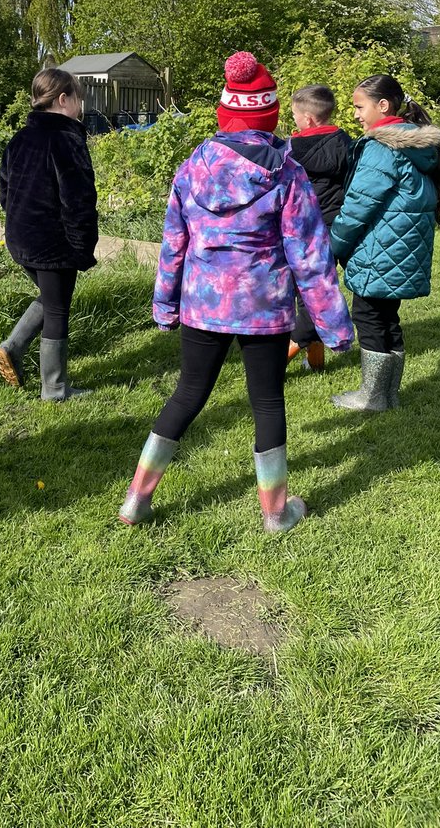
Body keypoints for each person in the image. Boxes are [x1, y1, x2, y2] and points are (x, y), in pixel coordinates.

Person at [119, 52, 353, 533]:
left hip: (201, 303)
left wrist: (164, 305)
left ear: (226, 113)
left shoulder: (191, 168)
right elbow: (311, 257)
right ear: (268, 116)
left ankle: (135, 502)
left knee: (186, 394)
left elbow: (172, 245)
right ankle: (275, 514)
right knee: (266, 401)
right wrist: (334, 326)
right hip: (262, 306)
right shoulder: (287, 174)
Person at [330, 75, 440, 413]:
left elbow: (357, 206)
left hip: (380, 248)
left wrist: (333, 247)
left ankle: (371, 397)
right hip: (398, 247)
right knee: (387, 317)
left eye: (358, 106)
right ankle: (387, 394)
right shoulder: (413, 144)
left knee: (367, 316)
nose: (355, 114)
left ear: (383, 106)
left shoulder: (383, 147)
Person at [0, 67, 98, 401]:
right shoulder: (66, 138)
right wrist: (82, 245)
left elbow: (4, 189)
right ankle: (54, 388)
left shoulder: (20, 138)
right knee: (57, 309)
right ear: (64, 99)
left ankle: (13, 347)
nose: (81, 107)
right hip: (54, 241)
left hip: (20, 237)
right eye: (79, 100)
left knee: (52, 297)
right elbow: (77, 199)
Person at [286, 85, 352, 371]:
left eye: (295, 115)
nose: (294, 121)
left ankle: (285, 353)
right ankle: (316, 361)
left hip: (302, 229)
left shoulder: (292, 149)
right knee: (317, 287)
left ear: (309, 118)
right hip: (336, 225)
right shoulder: (346, 143)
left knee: (309, 292)